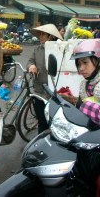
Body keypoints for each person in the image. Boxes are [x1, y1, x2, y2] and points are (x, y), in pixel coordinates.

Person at [70, 38, 100, 197]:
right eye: (78, 64)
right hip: (89, 139)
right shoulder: (85, 84)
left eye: (85, 63)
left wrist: (83, 106)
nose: (81, 68)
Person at [26, 23, 63, 133]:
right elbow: (30, 61)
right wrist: (31, 66)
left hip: (53, 92)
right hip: (38, 90)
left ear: (51, 36)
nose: (40, 36)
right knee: (41, 120)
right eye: (40, 34)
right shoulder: (37, 49)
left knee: (52, 121)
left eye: (43, 34)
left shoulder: (60, 49)